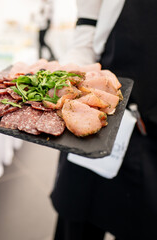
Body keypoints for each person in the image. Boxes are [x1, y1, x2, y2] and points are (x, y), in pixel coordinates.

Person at [50, 0, 157, 239]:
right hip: (94, 122)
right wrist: (68, 74)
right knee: (77, 220)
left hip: (152, 135)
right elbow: (85, 36)